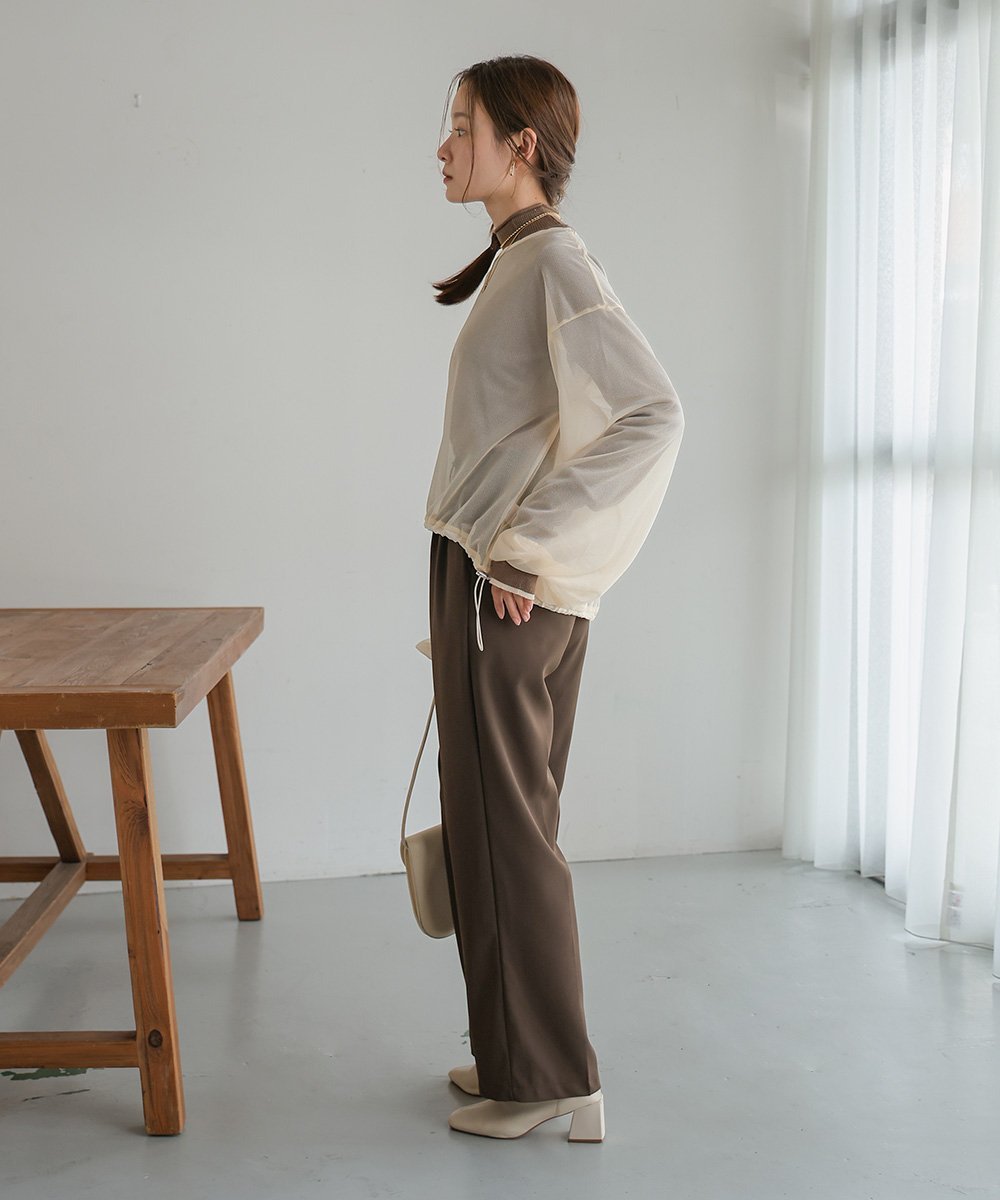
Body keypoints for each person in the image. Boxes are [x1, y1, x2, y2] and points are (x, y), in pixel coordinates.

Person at [425, 55, 685, 1142]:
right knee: (493, 825)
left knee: (509, 832)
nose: (443, 146)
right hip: (488, 578)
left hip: (509, 588)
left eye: (462, 126)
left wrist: (527, 551)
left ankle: (549, 1081)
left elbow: (651, 414)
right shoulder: (521, 262)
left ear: (520, 144)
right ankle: (511, 1057)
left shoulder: (554, 264)